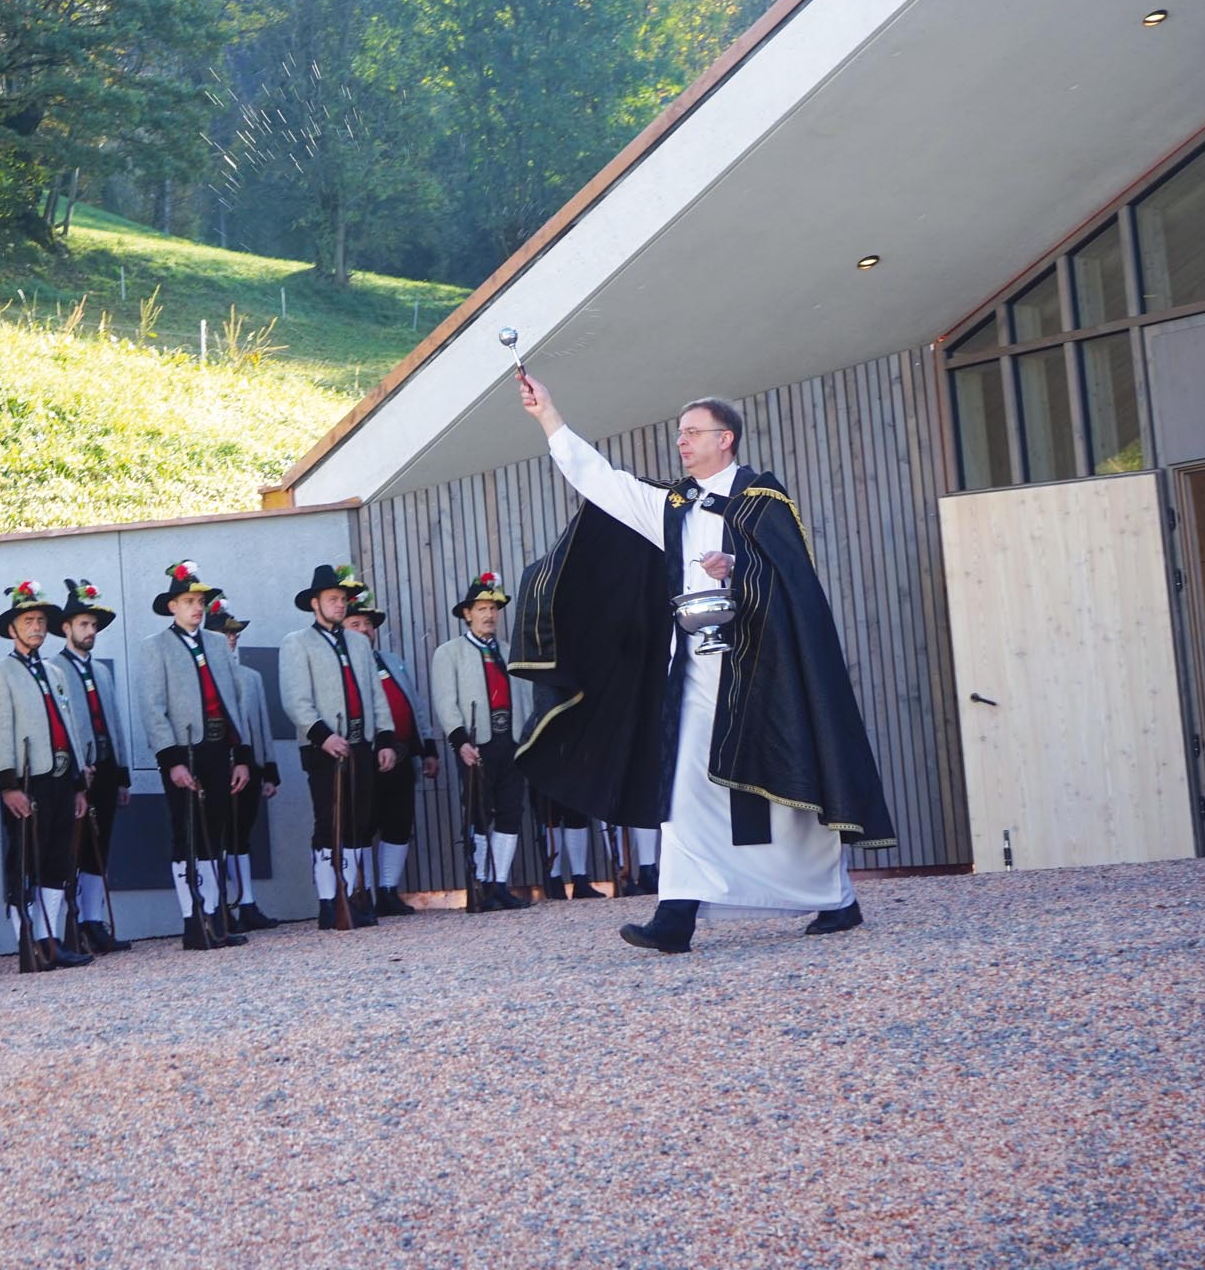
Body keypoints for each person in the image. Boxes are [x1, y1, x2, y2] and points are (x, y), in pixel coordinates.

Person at [514, 377, 896, 953]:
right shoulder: (672, 505)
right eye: (679, 434)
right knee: (685, 783)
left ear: (727, 439)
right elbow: (602, 481)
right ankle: (677, 914)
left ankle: (836, 898)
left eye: (693, 433)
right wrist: (549, 417)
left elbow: (793, 582)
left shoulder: (763, 504)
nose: (682, 442)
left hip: (762, 668)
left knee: (782, 789)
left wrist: (738, 568)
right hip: (692, 668)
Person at [135, 562, 252, 950]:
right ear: (172, 606)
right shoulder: (156, 647)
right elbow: (153, 707)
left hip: (220, 747)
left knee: (214, 833)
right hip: (185, 750)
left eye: (201, 601)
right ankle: (192, 920)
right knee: (187, 832)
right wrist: (172, 761)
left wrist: (242, 755)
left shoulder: (218, 644)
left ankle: (215, 914)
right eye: (189, 601)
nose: (197, 607)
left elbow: (236, 700)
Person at [0, 581, 91, 970]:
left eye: (41, 620)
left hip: (59, 775)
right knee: (24, 861)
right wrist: (6, 785)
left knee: (57, 859)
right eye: (28, 620)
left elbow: (69, 725)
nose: (37, 627)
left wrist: (77, 783)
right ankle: (27, 941)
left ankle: (50, 939)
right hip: (27, 779)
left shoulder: (55, 672)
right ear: (12, 628)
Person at [278, 562, 397, 928]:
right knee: (330, 822)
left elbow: (376, 695)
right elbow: (295, 699)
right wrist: (323, 736)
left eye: (343, 599)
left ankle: (356, 894)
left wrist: (385, 738)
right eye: (332, 599)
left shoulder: (359, 642)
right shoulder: (297, 643)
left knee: (359, 822)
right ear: (315, 603)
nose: (340, 605)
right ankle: (330, 901)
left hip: (361, 744)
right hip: (324, 747)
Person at [429, 574, 527, 912]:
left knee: (511, 811)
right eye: (482, 608)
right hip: (476, 744)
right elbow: (445, 701)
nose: (489, 615)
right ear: (467, 614)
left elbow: (524, 697)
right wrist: (460, 741)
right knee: (478, 812)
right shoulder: (449, 653)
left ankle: (499, 883)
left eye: (494, 609)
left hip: (509, 741)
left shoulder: (509, 653)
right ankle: (480, 883)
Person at [344, 593, 439, 917]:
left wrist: (427, 748)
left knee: (399, 822)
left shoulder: (392, 661)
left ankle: (387, 890)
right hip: (364, 756)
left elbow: (415, 705)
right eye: (355, 623)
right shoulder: (342, 666)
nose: (364, 630)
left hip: (400, 754)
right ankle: (363, 895)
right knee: (364, 824)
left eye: (368, 624)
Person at [53, 579, 131, 956]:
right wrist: (74, 771)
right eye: (83, 625)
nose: (90, 631)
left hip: (105, 768)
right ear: (66, 628)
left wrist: (123, 774)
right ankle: (69, 922)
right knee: (73, 846)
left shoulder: (101, 671)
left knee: (101, 845)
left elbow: (113, 720)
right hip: (76, 773)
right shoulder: (54, 670)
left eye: (93, 626)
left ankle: (92, 919)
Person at [207, 603, 280, 931]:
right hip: (217, 765)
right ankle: (219, 905)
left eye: (234, 633)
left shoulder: (249, 677)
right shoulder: (205, 677)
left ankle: (247, 902)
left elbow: (260, 723)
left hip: (247, 765)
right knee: (217, 836)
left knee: (242, 835)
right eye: (225, 633)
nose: (232, 638)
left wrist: (268, 768)